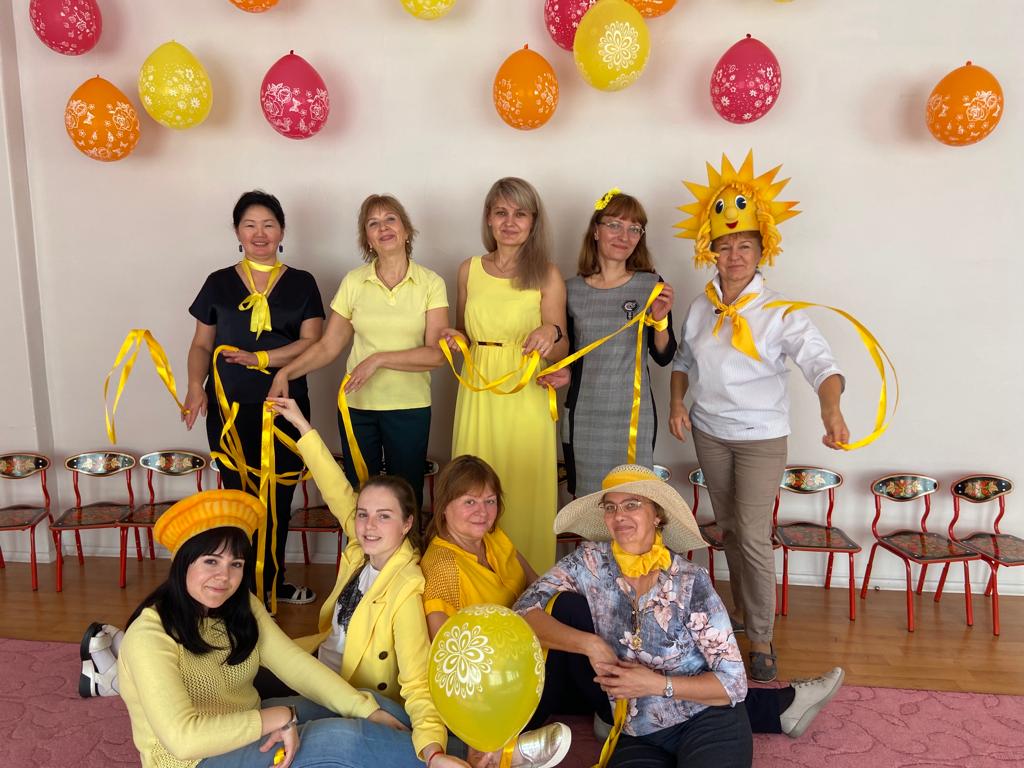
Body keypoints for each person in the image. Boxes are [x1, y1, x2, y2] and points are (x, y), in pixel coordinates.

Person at [419, 459, 839, 765]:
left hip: (702, 717)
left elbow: (733, 683)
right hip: (631, 727)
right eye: (611, 507)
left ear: (657, 516)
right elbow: (525, 604)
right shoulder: (589, 561)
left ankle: (781, 707)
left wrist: (654, 684)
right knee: (567, 606)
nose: (619, 516)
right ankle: (784, 707)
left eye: (633, 505)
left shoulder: (690, 580)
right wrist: (591, 644)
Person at [670, 151, 849, 682]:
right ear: (711, 251)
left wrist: (832, 409)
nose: (734, 255)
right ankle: (744, 615)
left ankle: (763, 638)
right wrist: (678, 402)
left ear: (761, 249)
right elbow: (683, 361)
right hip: (710, 433)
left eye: (745, 245)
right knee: (728, 529)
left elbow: (822, 364)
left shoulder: (780, 312)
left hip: (760, 437)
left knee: (751, 533)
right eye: (725, 246)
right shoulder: (701, 306)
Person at [116, 488, 420, 768]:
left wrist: (366, 710)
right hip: (196, 760)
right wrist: (279, 717)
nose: (224, 576)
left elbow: (295, 664)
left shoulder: (241, 604)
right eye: (211, 561)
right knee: (341, 740)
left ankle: (434, 750)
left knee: (371, 703)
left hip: (248, 720)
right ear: (183, 563)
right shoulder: (149, 636)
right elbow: (184, 740)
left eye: (236, 564)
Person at [267, 397, 468, 768]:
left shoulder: (406, 587)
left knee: (270, 721)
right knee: (246, 680)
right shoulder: (362, 549)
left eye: (384, 516)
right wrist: (302, 425)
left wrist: (434, 752)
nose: (369, 525)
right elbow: (334, 487)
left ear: (407, 524)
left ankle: (470, 755)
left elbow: (418, 683)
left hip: (355, 697)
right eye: (363, 515)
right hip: (321, 670)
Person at [183, 190, 324, 606]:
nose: (259, 233)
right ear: (237, 232)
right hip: (228, 409)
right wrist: (195, 385)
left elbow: (312, 342)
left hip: (284, 407)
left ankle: (273, 584)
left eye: (268, 225)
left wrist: (261, 358)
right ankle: (239, 590)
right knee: (238, 500)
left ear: (282, 231)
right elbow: (201, 345)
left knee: (278, 499)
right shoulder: (218, 282)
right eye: (250, 225)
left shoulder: (302, 282)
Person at [270, 195, 447, 510]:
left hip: (409, 407)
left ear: (406, 230)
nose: (383, 228)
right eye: (373, 223)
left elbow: (436, 355)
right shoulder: (354, 282)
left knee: (405, 496)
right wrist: (286, 372)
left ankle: (406, 547)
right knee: (359, 496)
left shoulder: (430, 283)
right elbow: (328, 346)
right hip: (357, 408)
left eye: (390, 219)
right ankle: (359, 546)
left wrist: (379, 359)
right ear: (367, 239)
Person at [442, 178, 568, 572]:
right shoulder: (468, 270)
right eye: (501, 212)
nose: (510, 222)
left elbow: (562, 348)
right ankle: (474, 578)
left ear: (533, 222)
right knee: (472, 482)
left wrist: (551, 332)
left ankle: (530, 584)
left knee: (523, 484)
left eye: (520, 214)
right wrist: (454, 339)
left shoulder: (547, 274)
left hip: (525, 392)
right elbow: (462, 332)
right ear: (488, 219)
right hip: (478, 391)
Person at [549, 189, 677, 497]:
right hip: (584, 414)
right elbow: (568, 354)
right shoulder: (570, 290)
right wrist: (559, 371)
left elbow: (664, 355)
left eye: (634, 228)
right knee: (588, 502)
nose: (624, 236)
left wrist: (660, 321)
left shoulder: (651, 285)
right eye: (615, 225)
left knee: (632, 500)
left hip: (633, 416)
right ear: (596, 230)